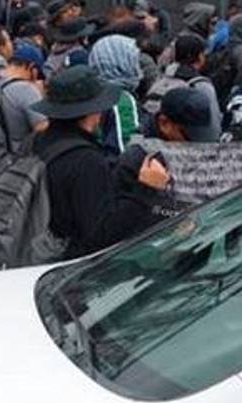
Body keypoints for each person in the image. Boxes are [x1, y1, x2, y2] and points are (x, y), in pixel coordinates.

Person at [33, 65, 170, 259]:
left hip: (36, 249)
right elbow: (102, 234)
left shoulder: (36, 141)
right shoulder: (86, 161)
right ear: (92, 112)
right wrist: (145, 189)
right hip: (69, 262)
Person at [88, 34, 143, 155]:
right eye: (135, 61)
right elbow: (126, 152)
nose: (139, 68)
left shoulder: (91, 93)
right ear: (123, 63)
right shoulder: (121, 101)